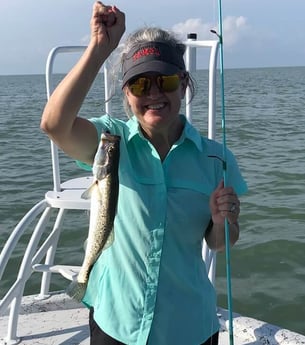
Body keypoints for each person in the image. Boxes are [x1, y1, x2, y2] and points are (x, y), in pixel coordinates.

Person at [41, 2, 248, 345]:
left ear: (183, 84)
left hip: (188, 325)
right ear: (125, 92)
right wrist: (99, 48)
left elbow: (218, 242)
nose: (154, 94)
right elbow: (54, 124)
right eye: (139, 85)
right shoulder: (111, 141)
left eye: (165, 80)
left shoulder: (215, 158)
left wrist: (224, 220)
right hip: (117, 320)